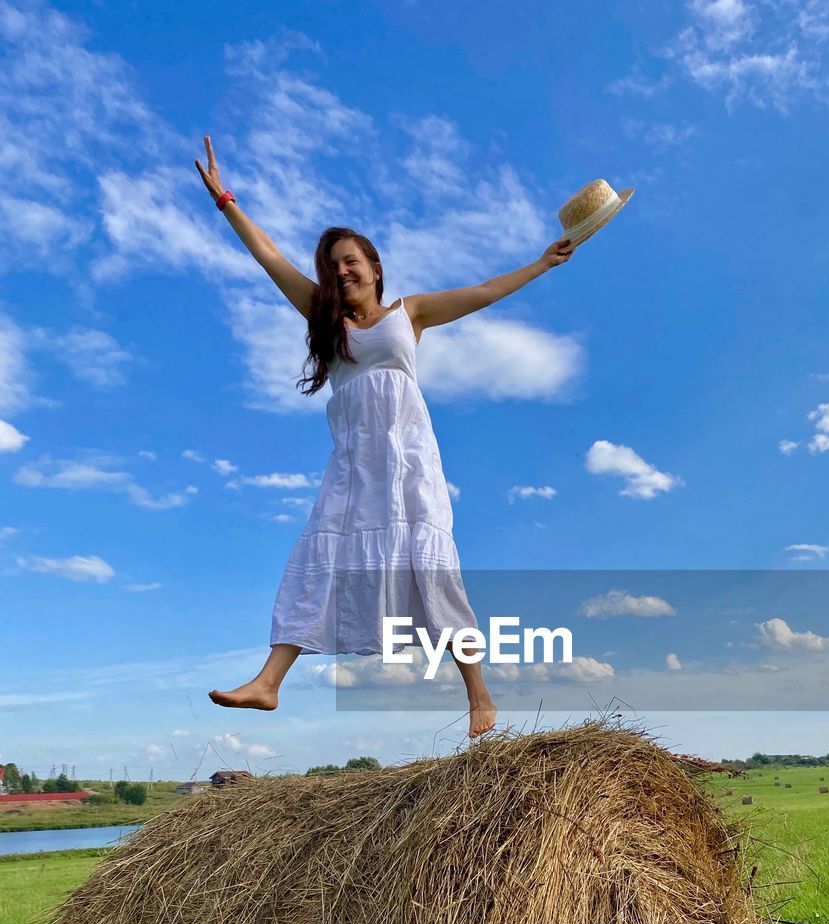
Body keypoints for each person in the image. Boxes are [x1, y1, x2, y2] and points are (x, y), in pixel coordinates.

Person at [195, 136, 575, 739]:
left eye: (352, 262)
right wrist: (227, 201)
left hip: (407, 463)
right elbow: (268, 257)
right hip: (352, 467)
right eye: (332, 267)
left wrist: (540, 262)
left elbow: (482, 293)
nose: (342, 272)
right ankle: (268, 683)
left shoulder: (410, 313)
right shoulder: (324, 319)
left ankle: (479, 693)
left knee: (433, 565)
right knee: (318, 559)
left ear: (374, 267)